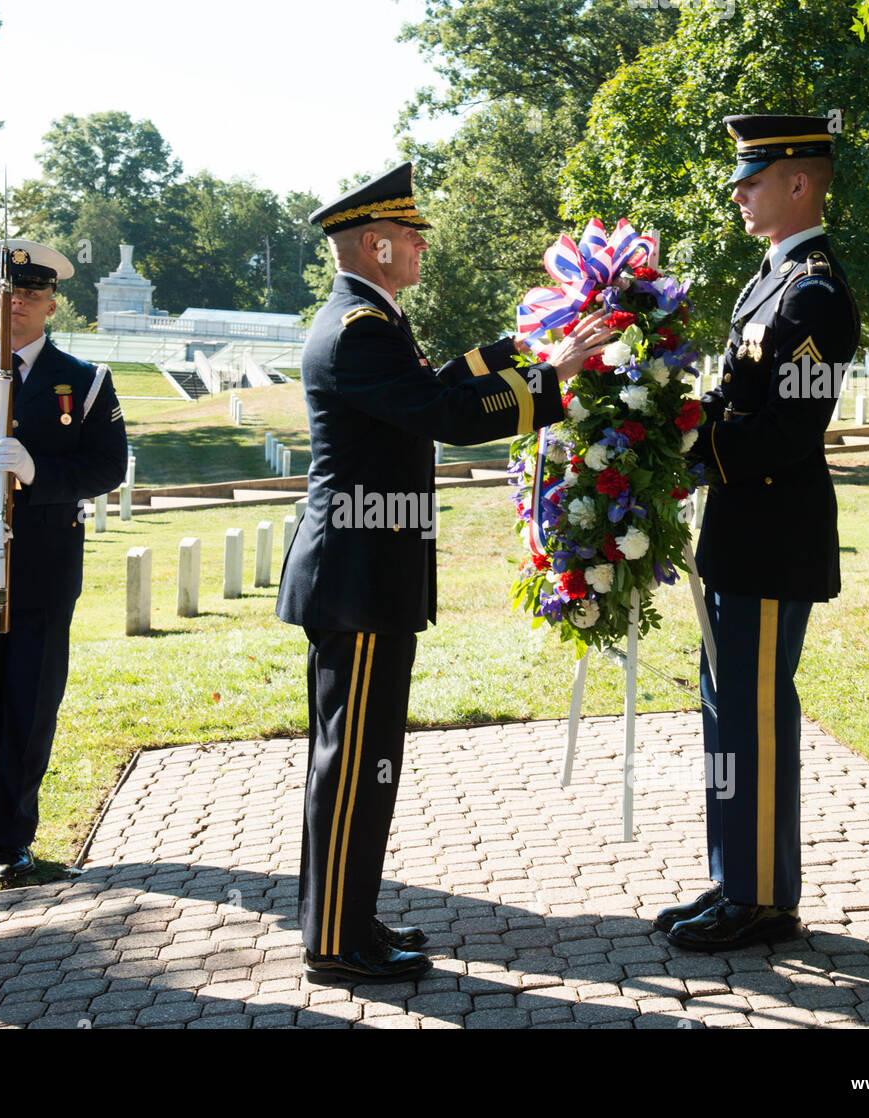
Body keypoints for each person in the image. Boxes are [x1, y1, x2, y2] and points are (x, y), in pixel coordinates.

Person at [276, 162, 611, 983]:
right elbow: (444, 414)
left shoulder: (367, 320)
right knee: (353, 759)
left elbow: (426, 385)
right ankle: (334, 943)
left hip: (365, 570)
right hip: (357, 575)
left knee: (358, 754)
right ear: (377, 242)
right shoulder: (359, 328)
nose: (423, 246)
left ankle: (348, 917)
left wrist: (519, 349)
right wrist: (554, 377)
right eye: (414, 235)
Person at [660, 114, 860, 951]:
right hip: (740, 533)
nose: (738, 193)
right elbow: (738, 402)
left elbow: (787, 432)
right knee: (726, 713)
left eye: (753, 179)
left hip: (773, 536)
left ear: (800, 183)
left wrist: (683, 442)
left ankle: (766, 902)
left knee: (755, 715)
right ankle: (733, 879)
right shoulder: (767, 281)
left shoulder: (813, 291)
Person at [0, 239, 127, 887]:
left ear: (50, 304)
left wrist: (38, 472)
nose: (15, 305)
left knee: (30, 702)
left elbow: (108, 466)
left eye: (30, 296)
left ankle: (15, 841)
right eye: (5, 293)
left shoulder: (86, 380)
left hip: (43, 567)